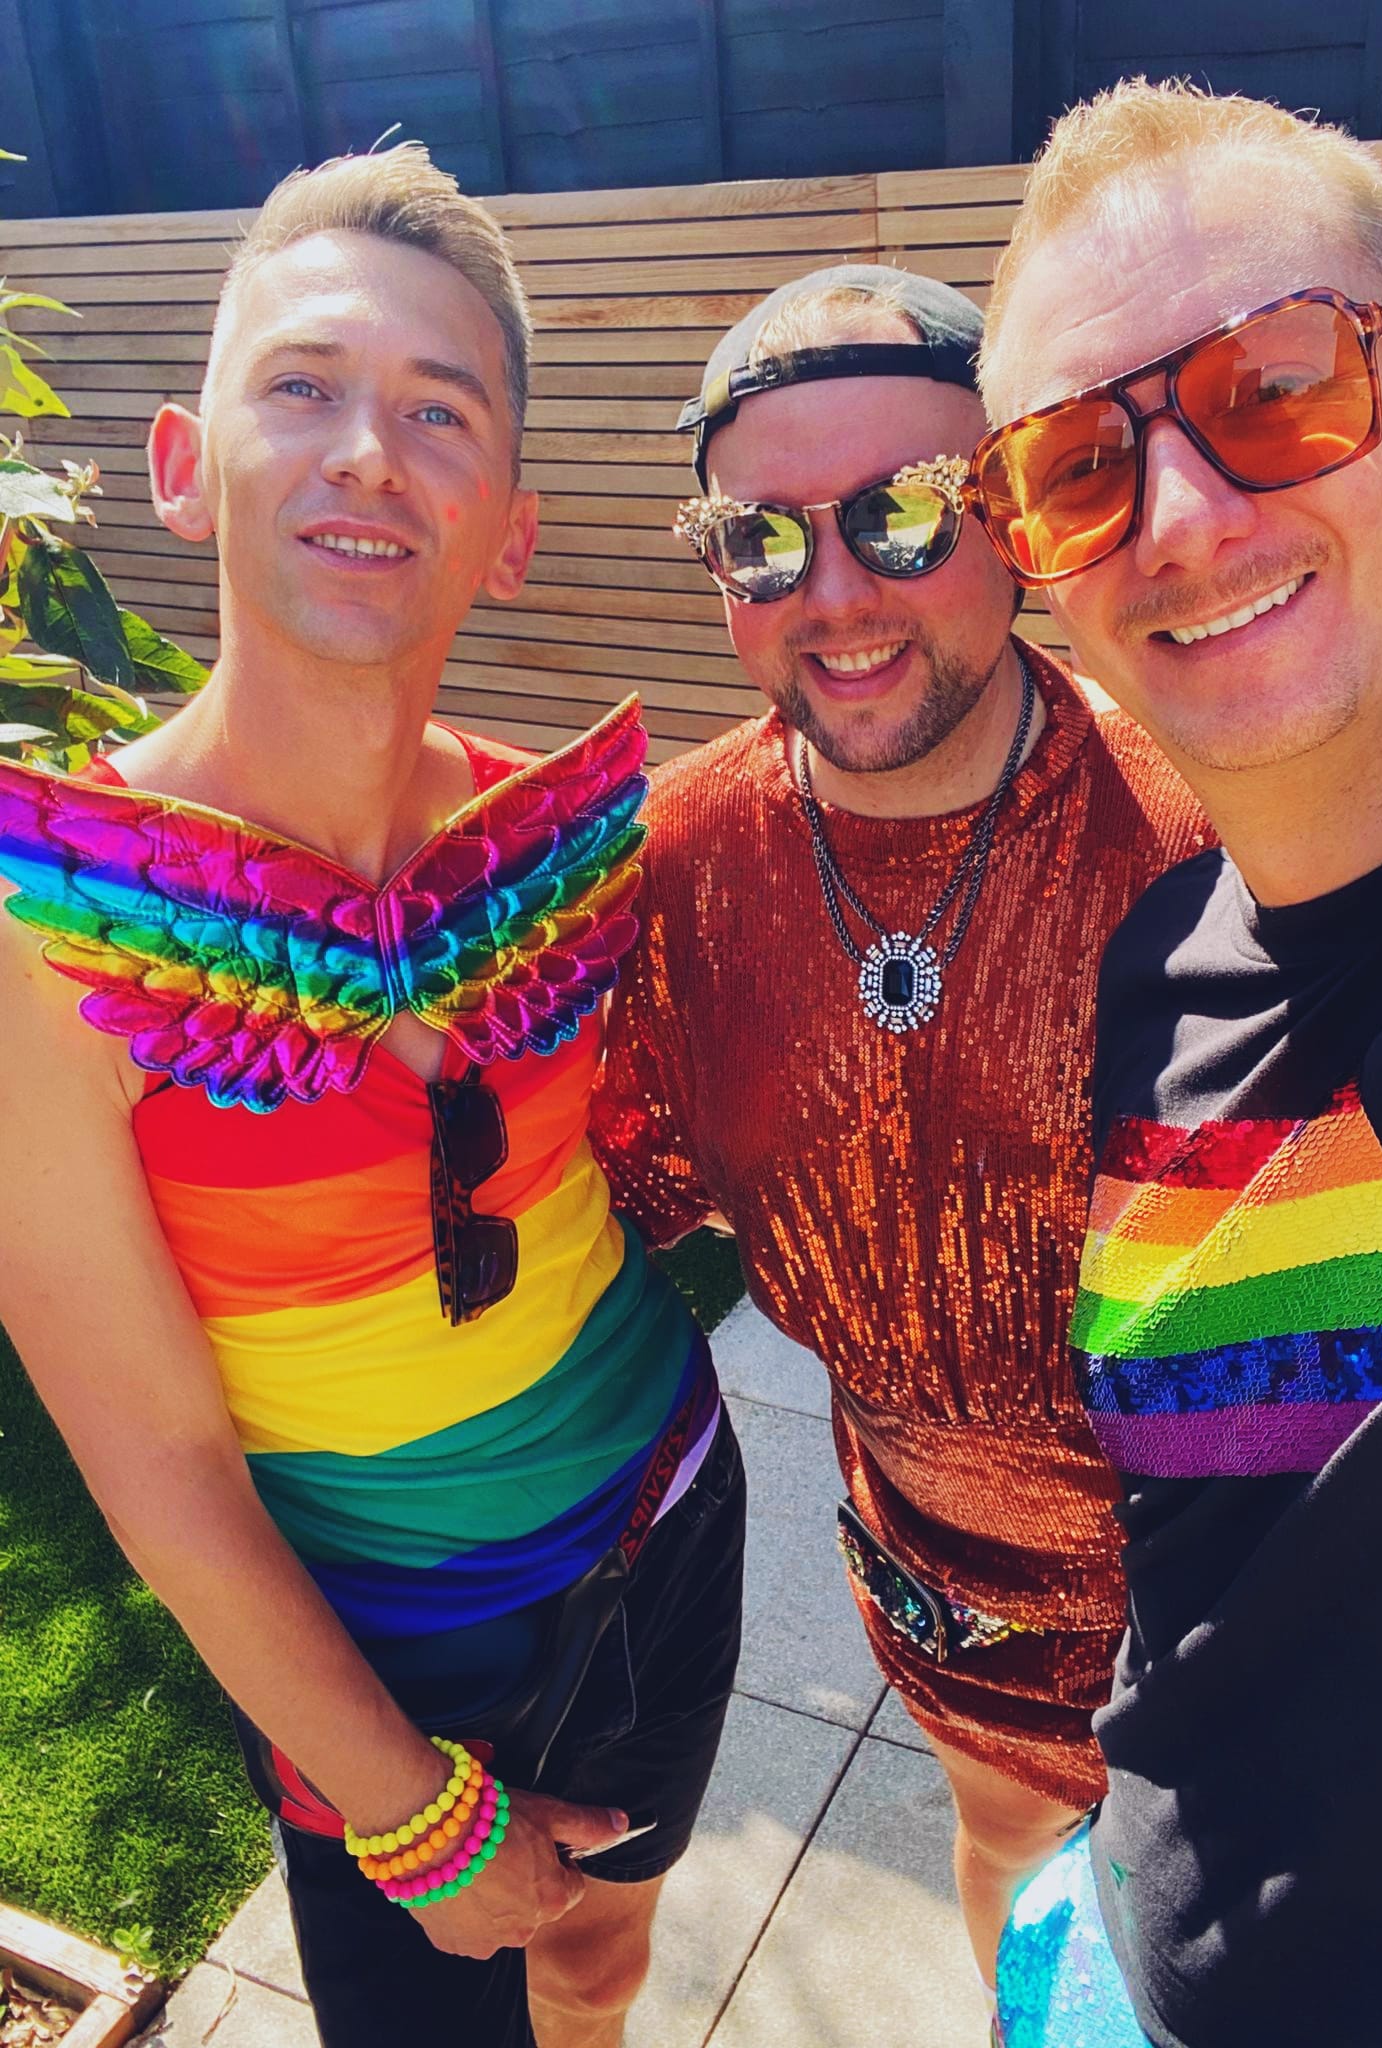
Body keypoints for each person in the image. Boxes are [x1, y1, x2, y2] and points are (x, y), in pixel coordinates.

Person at [0, 145, 745, 2048]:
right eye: (304, 385)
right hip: (380, 1665)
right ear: (185, 465)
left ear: (510, 528)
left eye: (439, 411)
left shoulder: (552, 842)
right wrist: (412, 1808)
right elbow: (157, 1460)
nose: (366, 453)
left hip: (669, 1511)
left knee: (602, 1961)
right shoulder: (46, 942)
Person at [976, 81, 1382, 2048]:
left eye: (1276, 387)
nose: (1184, 518)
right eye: (1077, 467)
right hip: (1119, 1962)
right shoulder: (1157, 974)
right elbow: (1212, 1529)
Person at [587, 262, 1209, 2001]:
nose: (837, 594)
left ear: (1011, 515)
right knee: (1012, 1870)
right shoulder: (675, 868)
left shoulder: (1200, 836)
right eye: (763, 540)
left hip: (1230, 1595)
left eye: (903, 514)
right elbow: (594, 1208)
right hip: (935, 1583)